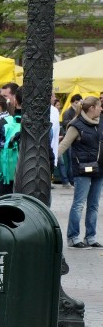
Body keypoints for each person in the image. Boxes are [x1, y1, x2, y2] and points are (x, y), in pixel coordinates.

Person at [57, 96, 103, 249]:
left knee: (94, 205)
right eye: (99, 106)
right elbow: (64, 145)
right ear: (91, 108)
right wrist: (51, 160)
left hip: (99, 169)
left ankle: (91, 237)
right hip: (82, 169)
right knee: (79, 204)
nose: (101, 109)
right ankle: (73, 237)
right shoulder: (76, 125)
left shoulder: (100, 123)